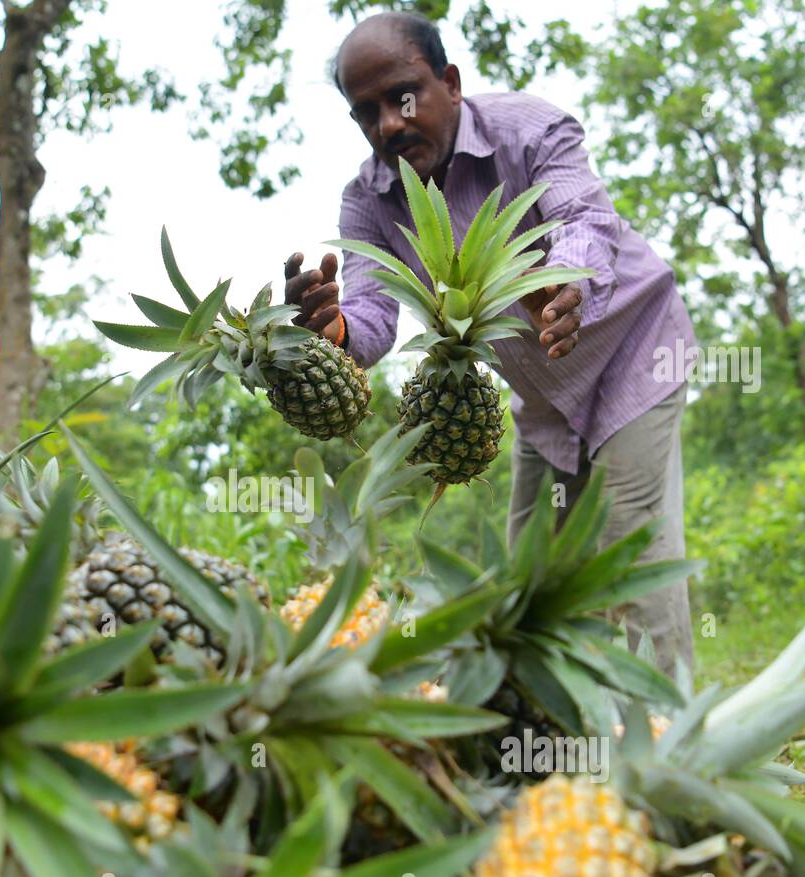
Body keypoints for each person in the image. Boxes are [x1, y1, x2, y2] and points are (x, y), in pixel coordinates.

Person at [283, 11, 695, 679]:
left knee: (631, 558)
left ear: (449, 82)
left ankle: (669, 755)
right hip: (543, 396)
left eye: (404, 95)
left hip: (632, 356)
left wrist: (569, 284)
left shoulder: (529, 130)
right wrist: (334, 331)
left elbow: (583, 217)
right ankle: (560, 746)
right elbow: (370, 315)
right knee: (535, 577)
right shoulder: (368, 202)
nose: (389, 123)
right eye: (366, 112)